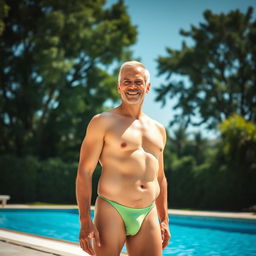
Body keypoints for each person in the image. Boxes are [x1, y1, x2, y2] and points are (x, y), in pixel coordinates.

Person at [76, 60, 171, 256]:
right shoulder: (102, 122)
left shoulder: (158, 129)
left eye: (138, 82)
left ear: (148, 87)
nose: (132, 86)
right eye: (126, 81)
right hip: (112, 208)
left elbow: (160, 177)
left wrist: (164, 219)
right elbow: (85, 171)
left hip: (148, 212)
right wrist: (85, 221)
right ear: (118, 87)